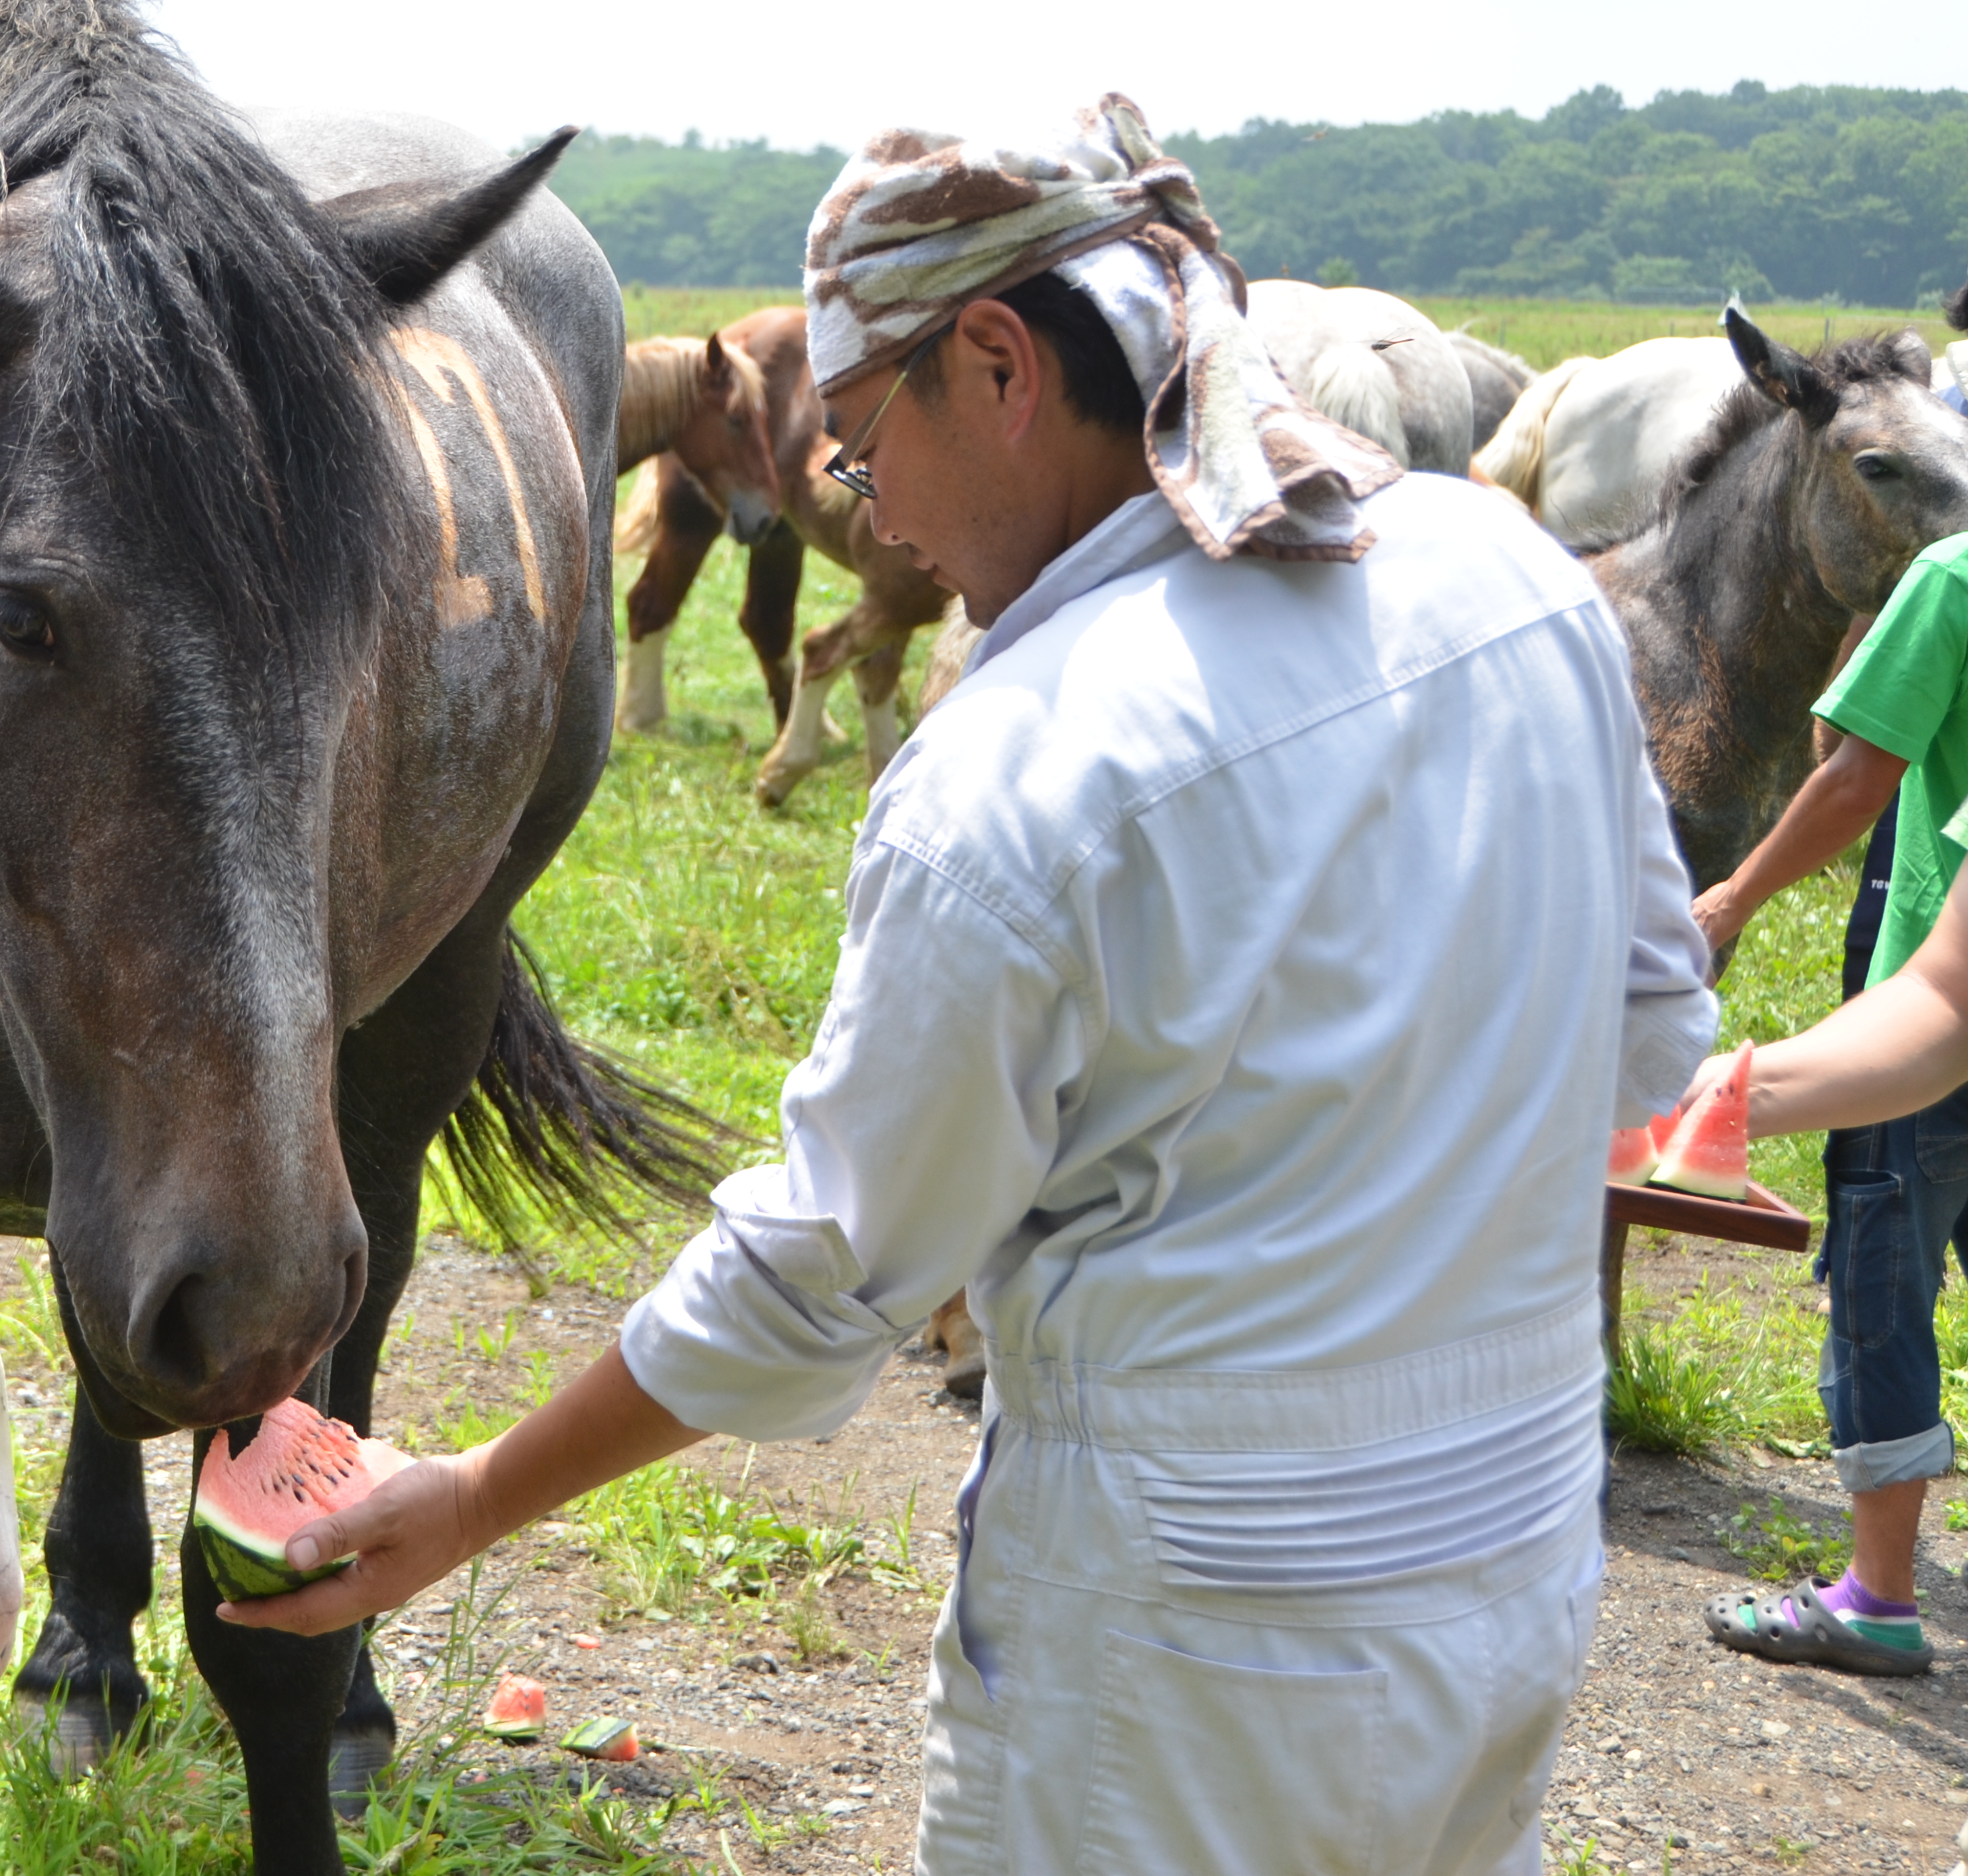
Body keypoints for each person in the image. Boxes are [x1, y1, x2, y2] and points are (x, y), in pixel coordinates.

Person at [224, 98, 1716, 1873]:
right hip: (1518, 1556)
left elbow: (824, 1270)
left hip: (1190, 1641)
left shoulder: (1028, 756)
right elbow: (1645, 1036)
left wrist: (469, 1497)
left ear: (997, 364)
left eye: (861, 442)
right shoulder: (1513, 579)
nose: (876, 511)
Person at [1684, 524, 1968, 1676]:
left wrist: (1730, 901)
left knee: (1883, 1269)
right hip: (1916, 1009)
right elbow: (1948, 997)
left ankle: (1877, 1593)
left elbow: (1850, 766)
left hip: (1906, 1014)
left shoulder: (1949, 576)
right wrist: (1733, 1092)